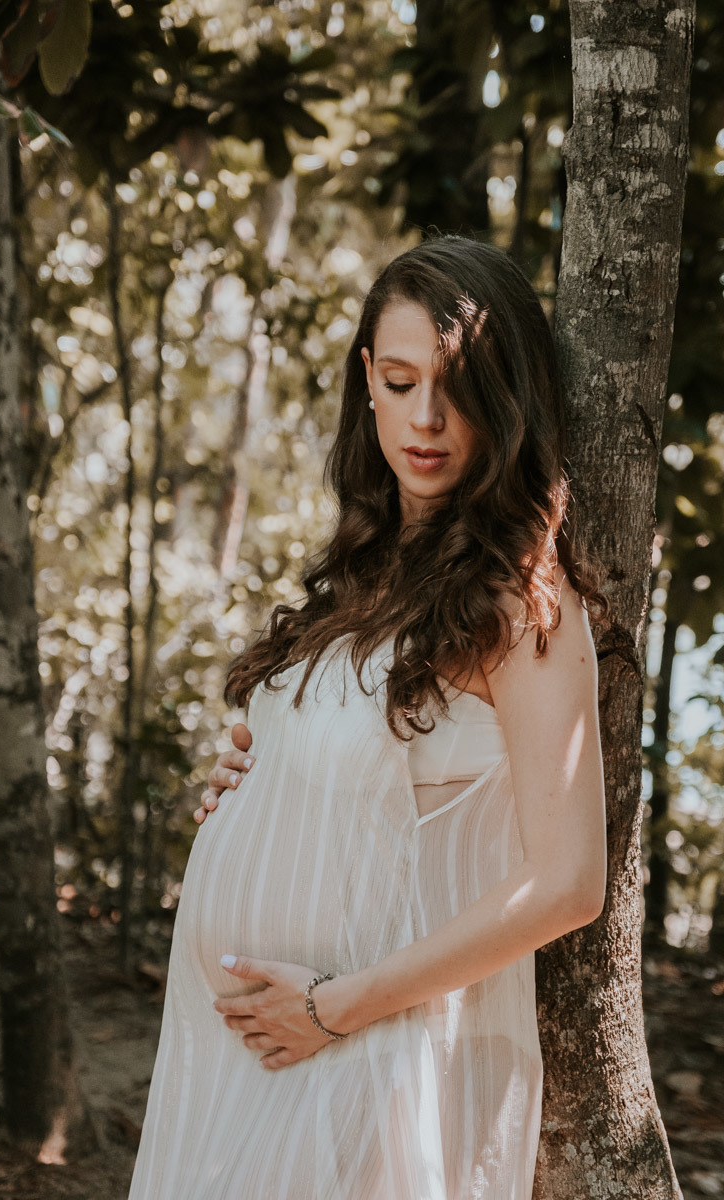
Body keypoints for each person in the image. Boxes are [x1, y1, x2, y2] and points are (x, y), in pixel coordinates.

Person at [128, 234, 609, 1200]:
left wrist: (337, 1009)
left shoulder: (522, 600)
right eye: (399, 381)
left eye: (460, 388)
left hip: (371, 1052)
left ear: (508, 401)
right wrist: (257, 778)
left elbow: (569, 883)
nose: (426, 419)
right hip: (257, 1051)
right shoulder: (368, 570)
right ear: (368, 382)